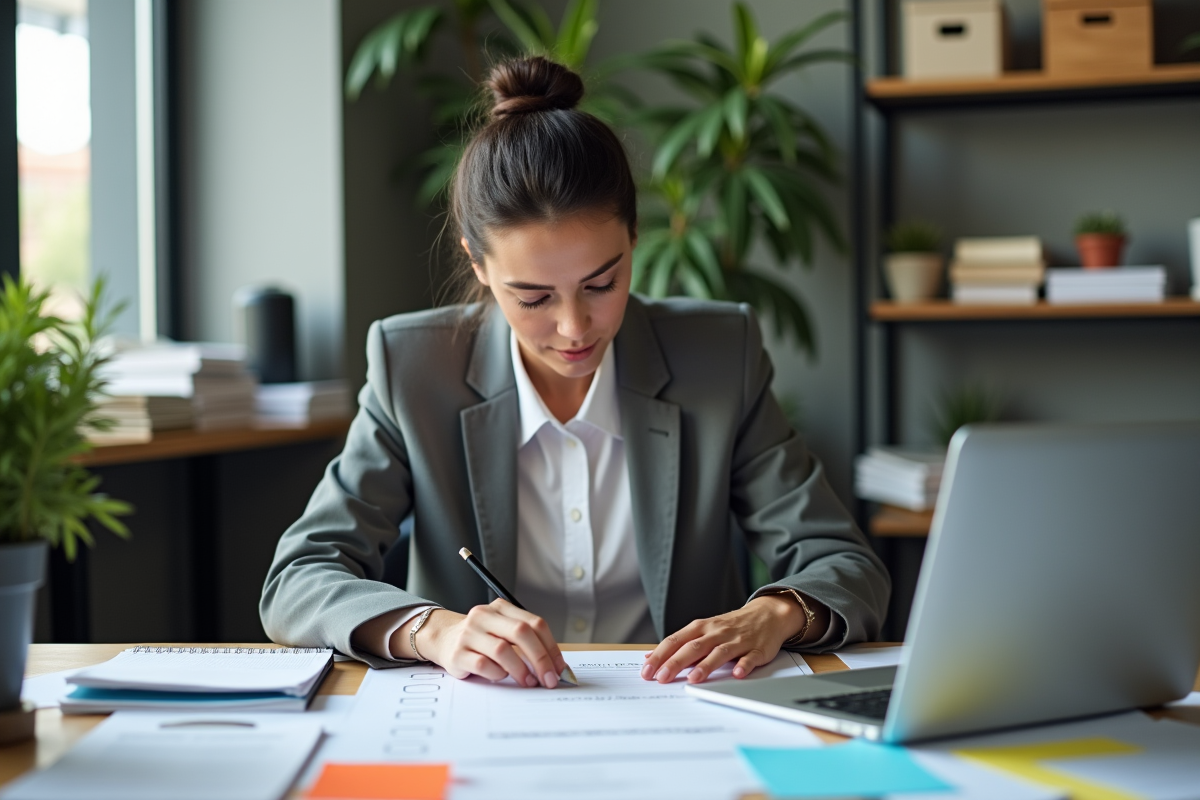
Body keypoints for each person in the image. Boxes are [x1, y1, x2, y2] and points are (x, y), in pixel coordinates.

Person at [260, 56, 889, 690]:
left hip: (679, 713)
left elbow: (842, 561)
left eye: (602, 283)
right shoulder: (413, 368)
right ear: (476, 264)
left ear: (635, 235)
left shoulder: (720, 356)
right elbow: (299, 579)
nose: (574, 327)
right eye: (533, 298)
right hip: (482, 719)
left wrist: (773, 614)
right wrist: (437, 630)